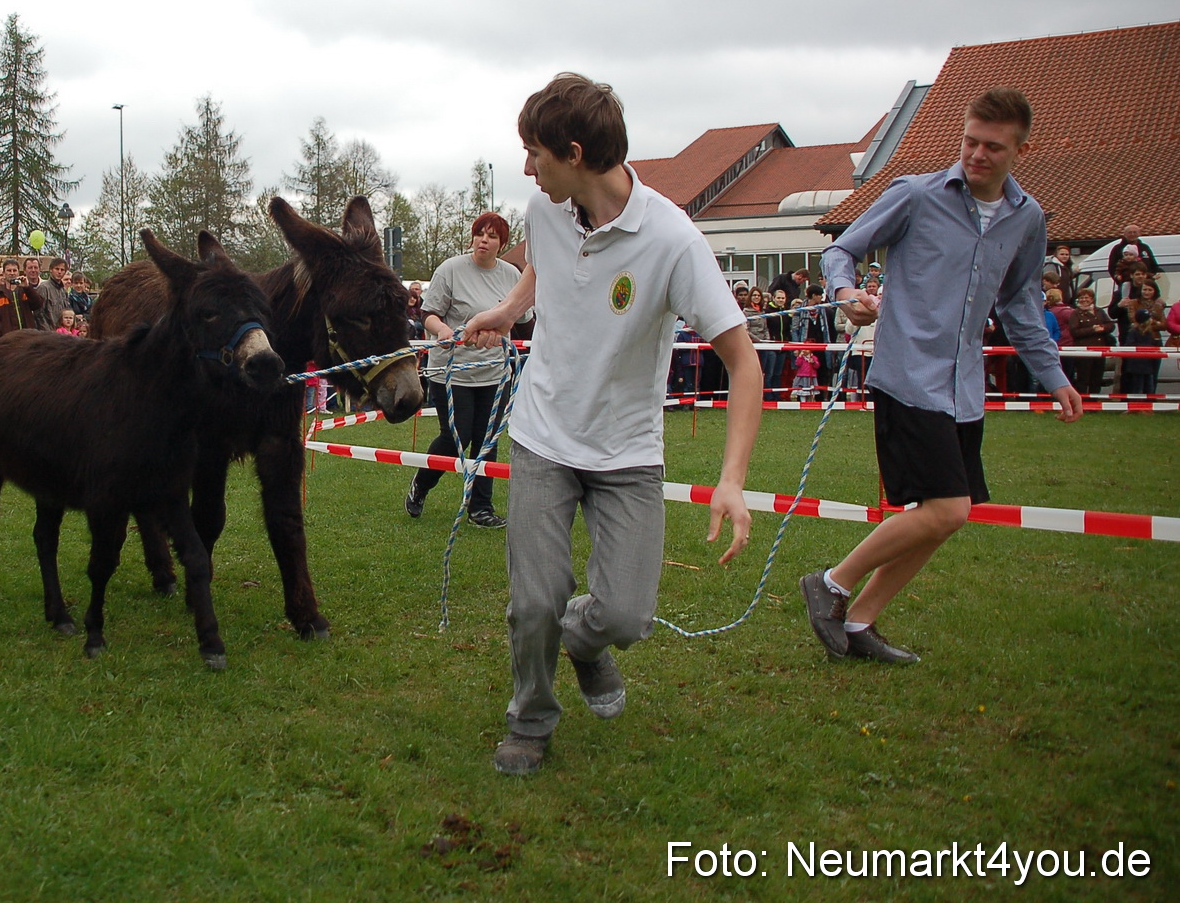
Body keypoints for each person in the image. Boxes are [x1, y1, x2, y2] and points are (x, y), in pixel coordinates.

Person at [461, 73, 762, 775]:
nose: (526, 169)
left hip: (627, 451)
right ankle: (530, 720)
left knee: (626, 616)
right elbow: (543, 269)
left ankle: (584, 638)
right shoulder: (545, 208)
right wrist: (508, 310)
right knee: (534, 601)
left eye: (535, 154)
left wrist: (732, 480)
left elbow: (744, 363)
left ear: (574, 154)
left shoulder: (673, 240)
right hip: (543, 434)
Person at [802, 88, 1083, 666]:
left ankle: (859, 623)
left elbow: (1020, 303)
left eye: (993, 147)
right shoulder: (916, 194)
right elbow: (841, 252)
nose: (977, 155)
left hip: (964, 387)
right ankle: (829, 583)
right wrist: (846, 291)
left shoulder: (1027, 219)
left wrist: (1054, 375)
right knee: (948, 509)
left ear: (1020, 151)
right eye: (970, 142)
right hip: (907, 375)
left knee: (943, 517)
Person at [404, 212, 531, 529]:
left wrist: (523, 339)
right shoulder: (450, 269)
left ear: (502, 244)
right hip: (452, 372)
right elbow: (428, 314)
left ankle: (481, 508)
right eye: (479, 234)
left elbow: (524, 319)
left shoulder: (511, 275)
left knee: (487, 439)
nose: (483, 240)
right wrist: (442, 330)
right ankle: (421, 484)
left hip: (494, 373)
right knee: (455, 436)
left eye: (492, 236)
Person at [1119, 280, 1165, 395]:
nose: (1147, 292)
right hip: (1138, 342)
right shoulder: (1133, 303)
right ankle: (1137, 401)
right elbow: (1133, 320)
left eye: (1150, 290)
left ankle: (1151, 400)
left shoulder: (1158, 304)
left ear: (1155, 291)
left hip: (1155, 342)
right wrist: (1154, 322)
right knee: (1137, 379)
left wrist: (1151, 323)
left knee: (1152, 376)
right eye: (1145, 289)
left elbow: (1164, 325)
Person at [1066, 287, 1112, 394]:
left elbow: (1110, 325)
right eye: (1081, 298)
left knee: (1096, 379)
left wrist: (1103, 328)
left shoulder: (1099, 311)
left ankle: (1094, 401)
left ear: (1092, 299)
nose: (1084, 300)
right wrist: (1092, 329)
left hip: (1100, 350)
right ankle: (1082, 400)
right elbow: (1074, 331)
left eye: (1086, 297)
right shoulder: (1075, 314)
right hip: (1084, 351)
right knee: (1083, 379)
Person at [38, 259, 73, 331]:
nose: (59, 272)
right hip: (48, 331)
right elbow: (39, 314)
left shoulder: (63, 291)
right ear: (51, 270)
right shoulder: (44, 288)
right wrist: (47, 331)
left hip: (62, 331)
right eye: (57, 269)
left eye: (62, 270)